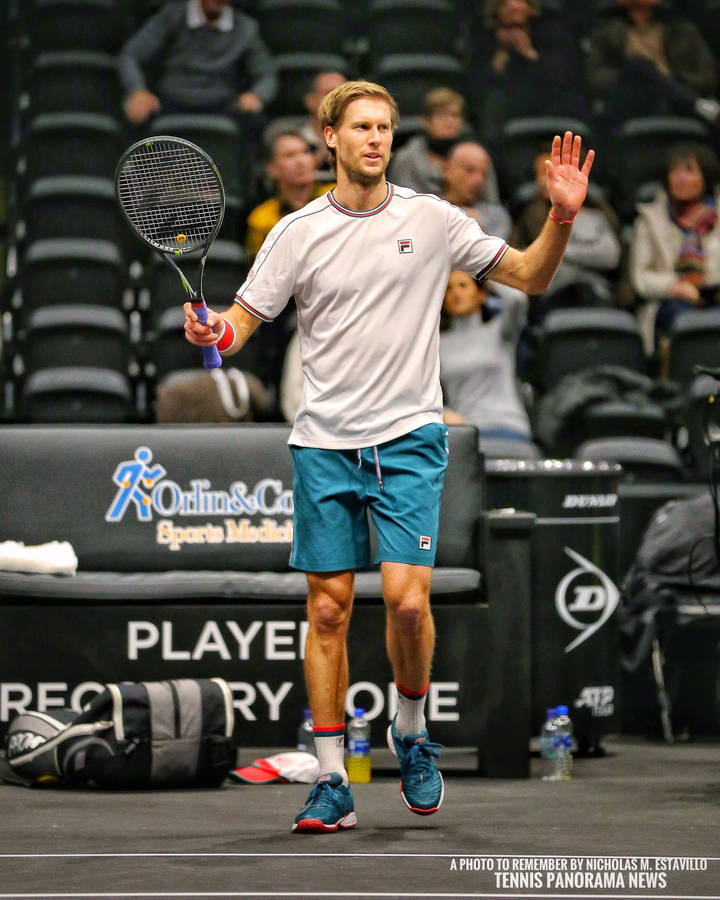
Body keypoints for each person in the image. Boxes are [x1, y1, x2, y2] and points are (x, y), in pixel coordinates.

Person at [183, 80, 595, 833]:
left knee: (408, 602)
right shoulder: (297, 232)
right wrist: (214, 335)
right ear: (330, 137)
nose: (374, 138)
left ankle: (411, 732)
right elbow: (242, 321)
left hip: (409, 436)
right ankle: (333, 778)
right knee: (329, 609)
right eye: (360, 127)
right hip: (324, 442)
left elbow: (532, 275)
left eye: (384, 127)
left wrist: (562, 215)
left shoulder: (433, 220)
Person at [118, 0, 277, 127]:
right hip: (170, 101)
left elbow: (266, 74)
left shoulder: (246, 28)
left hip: (223, 104)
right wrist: (137, 90)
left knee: (257, 121)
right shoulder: (171, 16)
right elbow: (130, 55)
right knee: (135, 114)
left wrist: (257, 95)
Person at [629, 141, 720, 361]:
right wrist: (675, 287)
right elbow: (641, 278)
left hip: (714, 296)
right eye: (675, 171)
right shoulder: (649, 220)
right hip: (669, 303)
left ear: (705, 177)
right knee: (685, 320)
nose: (680, 178)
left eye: (689, 170)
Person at [511, 147, 622, 316]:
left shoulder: (597, 215)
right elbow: (524, 259)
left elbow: (610, 256)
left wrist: (558, 250)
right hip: (551, 294)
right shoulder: (529, 217)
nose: (545, 180)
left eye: (554, 172)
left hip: (596, 291)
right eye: (541, 174)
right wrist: (585, 254)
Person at [586, 0, 719, 129]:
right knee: (638, 66)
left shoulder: (682, 30)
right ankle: (696, 104)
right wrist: (626, 75)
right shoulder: (606, 31)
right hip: (632, 100)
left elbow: (708, 76)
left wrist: (674, 80)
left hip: (676, 103)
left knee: (643, 69)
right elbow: (595, 77)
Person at [440, 271, 533, 445]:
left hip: (508, 426)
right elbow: (426, 395)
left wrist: (481, 266)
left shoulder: (501, 331)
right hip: (466, 433)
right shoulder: (436, 344)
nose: (455, 293)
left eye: (463, 285)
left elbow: (517, 299)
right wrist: (444, 413)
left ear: (481, 295)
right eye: (448, 288)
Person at [472, 0, 587, 137]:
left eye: (519, 1)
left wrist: (529, 53)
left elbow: (565, 74)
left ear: (530, 7)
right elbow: (478, 83)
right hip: (505, 97)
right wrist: (502, 54)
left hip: (547, 93)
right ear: (496, 10)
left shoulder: (551, 31)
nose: (513, 6)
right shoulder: (484, 35)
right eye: (505, 4)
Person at [389, 88, 502, 200]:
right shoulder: (407, 159)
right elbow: (402, 206)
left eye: (455, 115)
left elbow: (494, 207)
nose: (449, 121)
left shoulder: (476, 156)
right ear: (426, 121)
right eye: (441, 115)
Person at [246, 128, 333, 257]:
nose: (301, 161)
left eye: (305, 152)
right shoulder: (261, 219)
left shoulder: (338, 197)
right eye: (290, 155)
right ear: (272, 169)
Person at [443, 141, 512, 241]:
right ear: (448, 170)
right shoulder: (426, 210)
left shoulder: (497, 217)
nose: (479, 180)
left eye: (484, 174)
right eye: (470, 170)